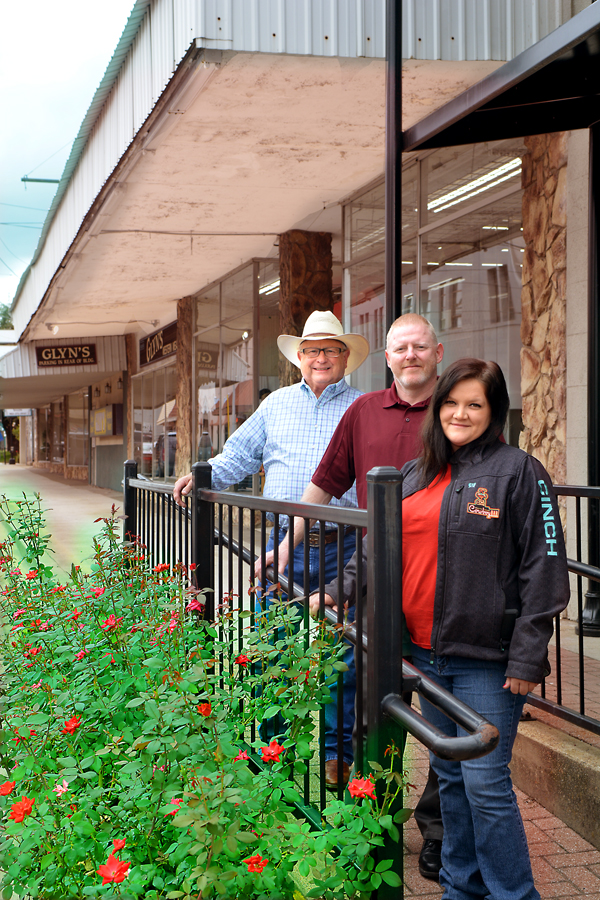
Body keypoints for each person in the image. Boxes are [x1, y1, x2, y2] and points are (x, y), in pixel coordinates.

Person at [315, 358, 570, 900]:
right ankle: (462, 889)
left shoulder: (520, 472)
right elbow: (374, 550)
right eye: (451, 403)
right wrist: (336, 592)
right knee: (450, 780)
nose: (460, 413)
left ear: (493, 411)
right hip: (423, 656)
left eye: (474, 404)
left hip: (486, 661)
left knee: (485, 787)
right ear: (437, 409)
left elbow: (544, 571)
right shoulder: (415, 473)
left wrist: (528, 658)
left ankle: (513, 895)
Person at [263, 312, 446, 879]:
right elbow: (325, 479)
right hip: (371, 577)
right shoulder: (363, 411)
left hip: (442, 581)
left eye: (419, 346)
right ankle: (371, 821)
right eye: (400, 347)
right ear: (387, 357)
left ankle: (436, 829)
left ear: (437, 352)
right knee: (366, 703)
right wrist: (286, 544)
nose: (410, 355)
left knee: (446, 716)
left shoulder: (454, 410)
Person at [173, 309, 370, 783]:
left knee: (343, 652)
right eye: (312, 350)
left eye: (330, 350)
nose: (321, 357)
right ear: (298, 358)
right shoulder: (276, 404)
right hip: (286, 543)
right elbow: (237, 456)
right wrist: (201, 478)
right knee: (270, 644)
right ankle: (271, 750)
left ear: (346, 358)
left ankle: (335, 755)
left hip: (346, 549)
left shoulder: (365, 407)